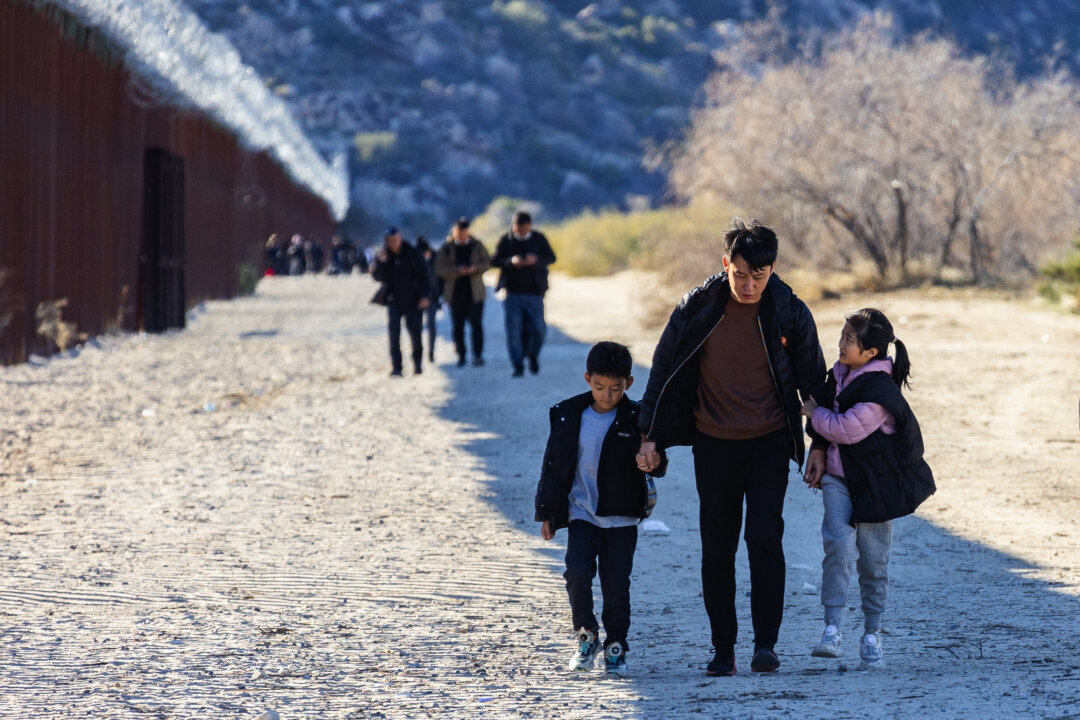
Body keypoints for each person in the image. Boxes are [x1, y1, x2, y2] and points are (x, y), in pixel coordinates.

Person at [636, 218, 828, 676]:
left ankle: (766, 645)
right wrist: (649, 434)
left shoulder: (789, 310)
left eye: (757, 276)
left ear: (773, 268)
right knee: (717, 548)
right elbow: (662, 369)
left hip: (767, 442)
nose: (747, 284)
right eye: (739, 274)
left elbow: (815, 384)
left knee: (765, 539)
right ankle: (723, 649)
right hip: (714, 442)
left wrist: (820, 443)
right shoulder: (698, 306)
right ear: (725, 264)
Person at [799, 308, 935, 671]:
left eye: (848, 339)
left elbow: (844, 429)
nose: (840, 343)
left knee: (873, 563)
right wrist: (818, 447)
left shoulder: (879, 391)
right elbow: (830, 424)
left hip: (876, 486)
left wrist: (813, 415)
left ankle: (872, 635)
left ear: (871, 352)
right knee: (839, 544)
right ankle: (832, 628)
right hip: (838, 479)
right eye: (842, 335)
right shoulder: (839, 375)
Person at [535, 341, 667, 677]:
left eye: (616, 388)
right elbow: (555, 466)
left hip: (621, 519)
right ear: (587, 378)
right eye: (599, 387)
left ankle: (615, 647)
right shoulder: (568, 414)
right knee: (576, 574)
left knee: (616, 587)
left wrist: (650, 461)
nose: (607, 395)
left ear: (629, 384)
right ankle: (587, 635)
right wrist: (549, 513)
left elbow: (659, 462)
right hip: (582, 514)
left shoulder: (639, 419)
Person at [492, 210, 556, 377]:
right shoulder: (505, 240)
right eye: (519, 229)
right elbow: (494, 260)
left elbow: (551, 258)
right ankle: (518, 365)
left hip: (535, 293)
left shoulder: (539, 238)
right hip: (512, 294)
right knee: (513, 331)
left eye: (525, 229)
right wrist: (510, 262)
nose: (522, 232)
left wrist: (536, 260)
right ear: (514, 227)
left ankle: (532, 355)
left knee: (539, 329)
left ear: (530, 226)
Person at [370, 227, 432, 377]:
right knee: (394, 335)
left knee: (415, 334)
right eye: (390, 240)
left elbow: (425, 275)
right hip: (394, 301)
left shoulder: (412, 252)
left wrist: (425, 296)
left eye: (395, 239)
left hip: (413, 301)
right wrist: (381, 262)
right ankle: (397, 368)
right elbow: (378, 277)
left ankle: (417, 364)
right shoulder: (385, 255)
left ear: (400, 237)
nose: (393, 243)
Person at [434, 218, 491, 367]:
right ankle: (461, 355)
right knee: (457, 327)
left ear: (468, 232)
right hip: (454, 295)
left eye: (464, 234)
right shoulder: (446, 248)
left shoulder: (477, 246)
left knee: (476, 326)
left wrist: (474, 268)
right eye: (459, 234)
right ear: (454, 232)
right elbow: (438, 268)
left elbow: (487, 263)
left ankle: (477, 355)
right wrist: (457, 271)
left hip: (475, 294)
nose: (461, 236)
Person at [415, 236, 442, 362]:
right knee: (417, 327)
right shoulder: (413, 259)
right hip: (417, 299)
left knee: (431, 325)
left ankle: (431, 352)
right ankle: (418, 353)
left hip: (433, 297)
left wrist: (441, 295)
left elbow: (440, 279)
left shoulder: (436, 258)